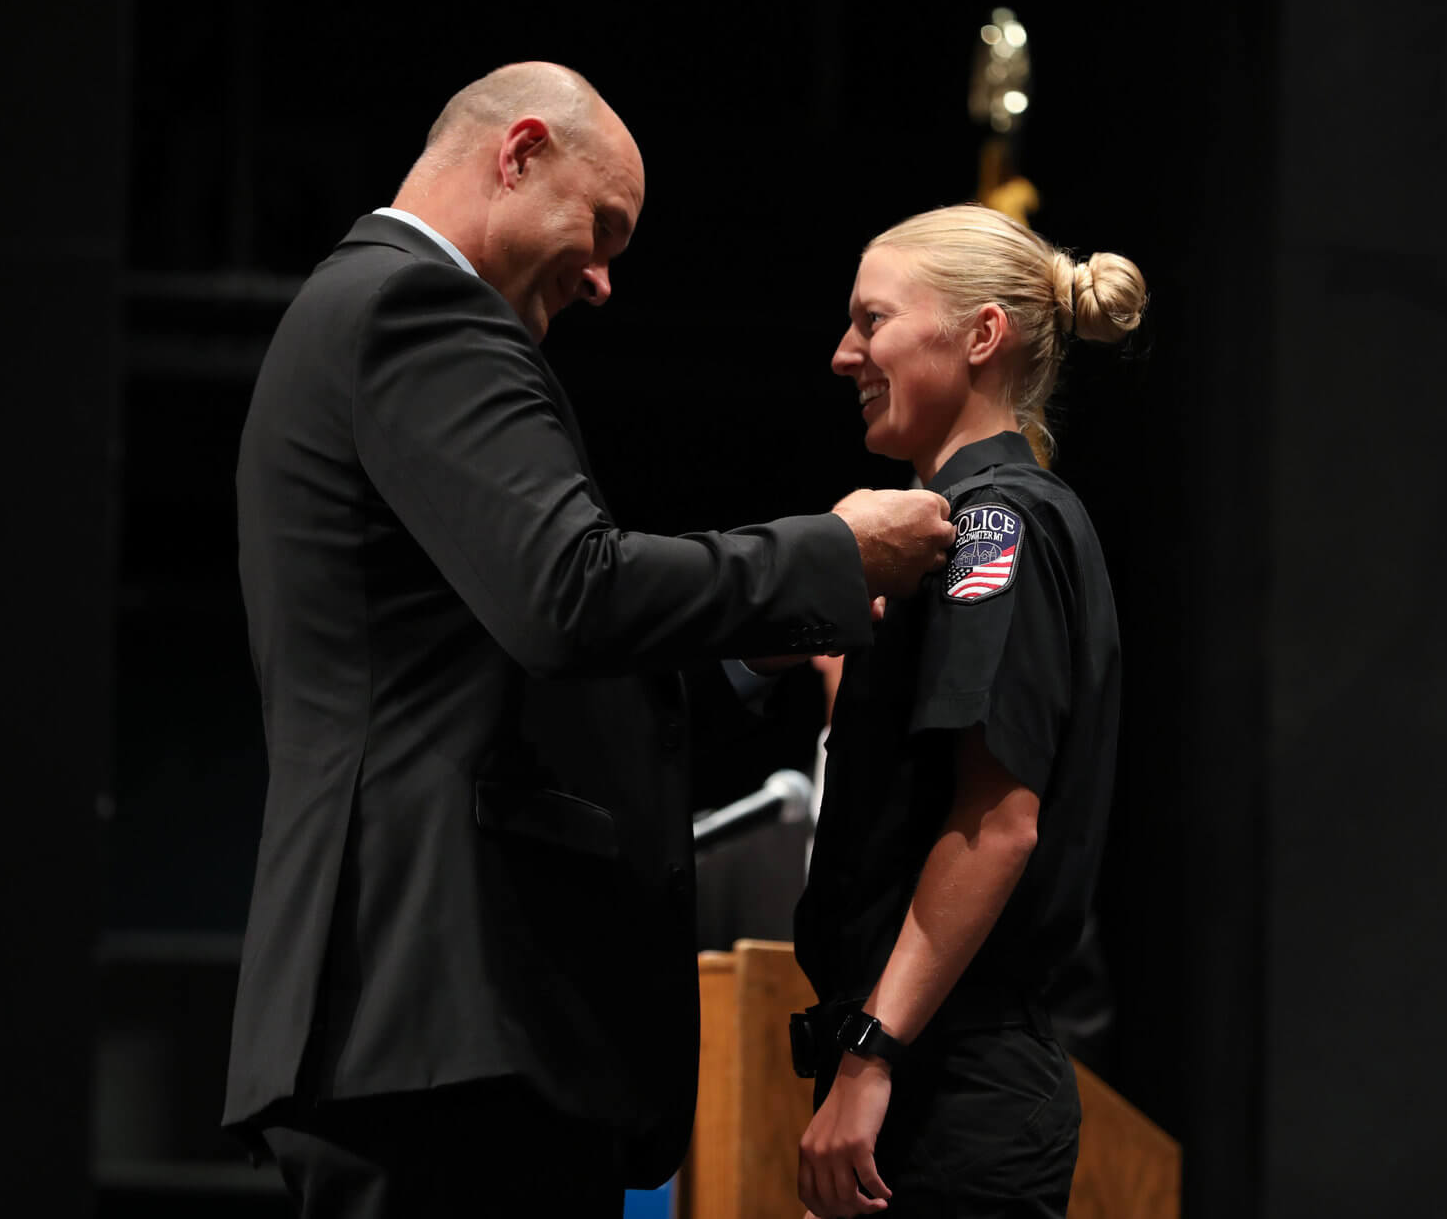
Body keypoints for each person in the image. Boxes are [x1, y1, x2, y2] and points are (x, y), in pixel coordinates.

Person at [224, 62, 954, 1218]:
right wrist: (829, 553)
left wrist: (740, 657)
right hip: (449, 1004)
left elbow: (500, 645)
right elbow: (565, 591)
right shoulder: (417, 308)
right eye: (600, 228)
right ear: (517, 153)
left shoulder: (373, 314)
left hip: (438, 1019)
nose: (607, 279)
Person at [792, 204, 1145, 1218]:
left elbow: (995, 824)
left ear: (980, 335)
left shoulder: (993, 525)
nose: (842, 353)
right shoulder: (980, 524)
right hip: (936, 1066)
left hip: (950, 1076)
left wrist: (868, 1055)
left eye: (872, 321)